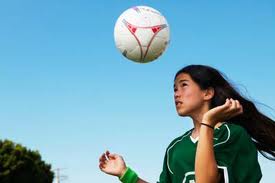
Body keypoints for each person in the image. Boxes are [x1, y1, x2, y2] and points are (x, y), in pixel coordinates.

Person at [99, 65, 275, 183]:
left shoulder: (231, 135)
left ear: (207, 93)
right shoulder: (176, 147)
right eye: (174, 89)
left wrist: (208, 123)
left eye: (183, 86)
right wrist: (124, 174)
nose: (176, 94)